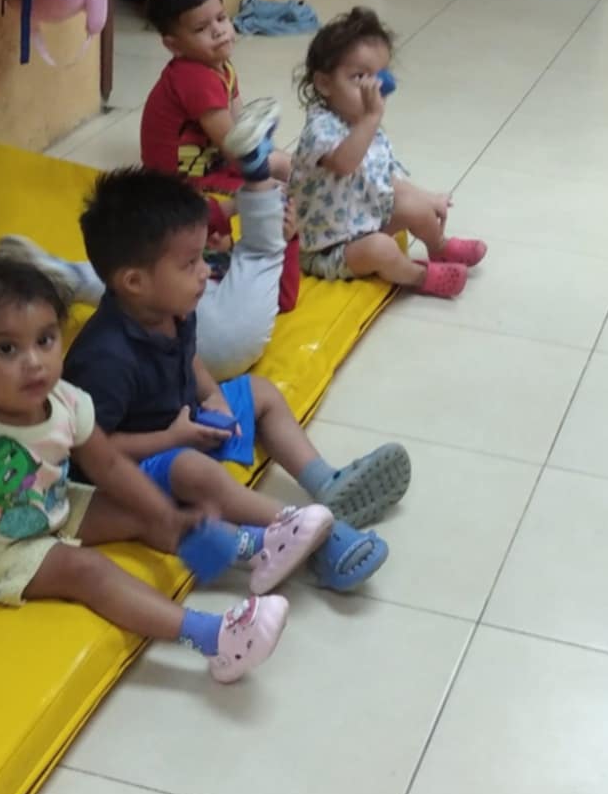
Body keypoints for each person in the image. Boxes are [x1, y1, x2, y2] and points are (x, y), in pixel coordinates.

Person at [0, 258, 323, 680]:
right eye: (7, 349)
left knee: (146, 508)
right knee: (85, 570)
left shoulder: (65, 400)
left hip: (50, 505)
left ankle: (260, 548)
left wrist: (167, 514)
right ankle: (215, 639)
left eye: (45, 340)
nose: (34, 362)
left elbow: (110, 466)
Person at [64, 168, 404, 572]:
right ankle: (300, 532)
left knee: (260, 391)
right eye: (189, 263)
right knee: (193, 470)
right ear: (134, 282)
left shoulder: (173, 308)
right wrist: (171, 438)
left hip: (185, 425)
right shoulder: (104, 359)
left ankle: (326, 481)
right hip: (135, 466)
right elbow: (93, 453)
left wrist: (212, 395)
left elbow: (189, 358)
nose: (205, 271)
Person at [139, 0, 305, 374]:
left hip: (211, 169)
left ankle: (263, 239)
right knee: (277, 185)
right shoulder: (193, 77)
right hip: (180, 190)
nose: (218, 31)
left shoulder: (219, 66)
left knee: (281, 180)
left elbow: (241, 126)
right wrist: (279, 166)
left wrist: (274, 158)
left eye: (221, 18)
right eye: (201, 28)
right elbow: (238, 149)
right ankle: (250, 243)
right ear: (173, 44)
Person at [291, 8, 486, 298]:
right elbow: (344, 163)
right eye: (359, 77)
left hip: (365, 220)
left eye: (379, 75)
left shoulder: (365, 124)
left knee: (414, 206)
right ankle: (420, 277)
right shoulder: (321, 129)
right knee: (382, 249)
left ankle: (440, 247)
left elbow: (386, 177)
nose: (374, 88)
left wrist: (428, 199)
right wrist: (371, 119)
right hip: (328, 248)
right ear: (324, 84)